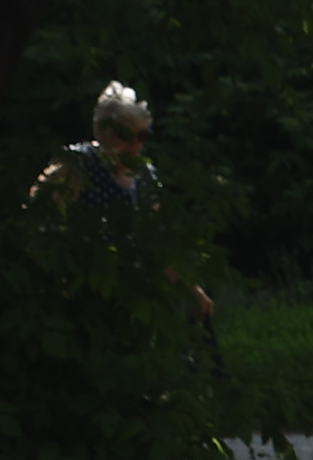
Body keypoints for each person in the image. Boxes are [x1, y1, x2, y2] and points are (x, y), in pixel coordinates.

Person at [35, 82, 214, 322]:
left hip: (130, 300)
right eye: (125, 136)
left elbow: (158, 242)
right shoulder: (74, 166)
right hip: (78, 296)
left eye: (143, 136)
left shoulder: (146, 176)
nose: (135, 145)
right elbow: (40, 228)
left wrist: (192, 291)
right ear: (102, 131)